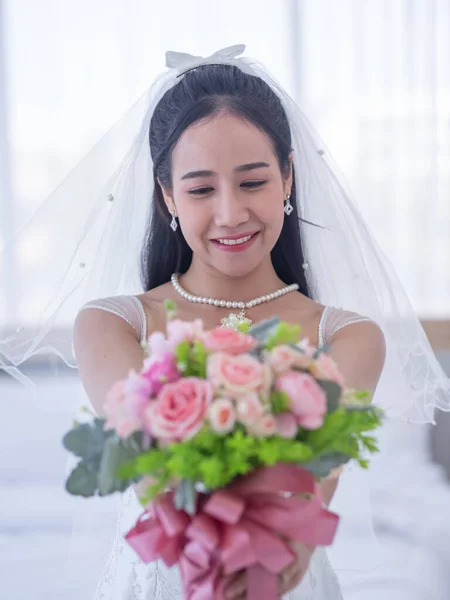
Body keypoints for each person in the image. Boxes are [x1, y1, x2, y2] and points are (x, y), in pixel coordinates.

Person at [1, 45, 449, 599]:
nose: (231, 213)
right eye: (201, 189)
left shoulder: (348, 336)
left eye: (253, 182)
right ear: (168, 196)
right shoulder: (109, 326)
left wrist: (278, 551)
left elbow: (313, 481)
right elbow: (153, 470)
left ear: (287, 178)